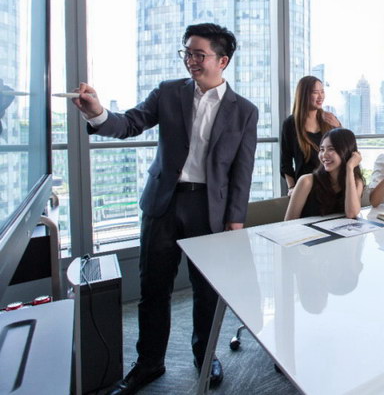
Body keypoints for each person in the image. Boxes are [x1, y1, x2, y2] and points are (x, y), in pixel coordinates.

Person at [71, 23, 257, 394]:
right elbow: (129, 123)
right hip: (164, 202)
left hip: (210, 209)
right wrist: (97, 112)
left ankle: (205, 355)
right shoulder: (169, 92)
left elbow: (242, 170)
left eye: (199, 54)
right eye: (187, 53)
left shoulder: (245, 111)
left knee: (207, 292)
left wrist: (236, 220)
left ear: (222, 61)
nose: (190, 60)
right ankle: (149, 362)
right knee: (154, 288)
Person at [284, 128, 364, 220]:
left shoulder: (356, 182)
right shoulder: (306, 181)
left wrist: (349, 168)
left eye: (331, 149)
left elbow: (351, 214)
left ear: (346, 152)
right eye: (322, 149)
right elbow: (289, 222)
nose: (324, 155)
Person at [280, 75, 341, 195]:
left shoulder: (329, 119)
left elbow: (345, 150)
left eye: (322, 91)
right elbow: (285, 162)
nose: (320, 96)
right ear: (304, 95)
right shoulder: (290, 124)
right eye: (315, 92)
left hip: (332, 185)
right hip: (305, 187)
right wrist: (291, 187)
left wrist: (338, 127)